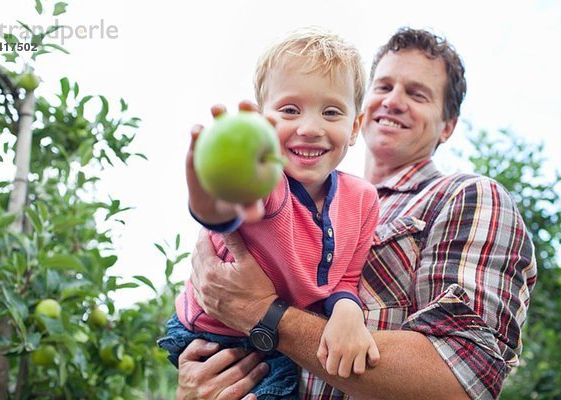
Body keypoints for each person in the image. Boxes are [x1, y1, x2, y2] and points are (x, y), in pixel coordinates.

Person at [176, 27, 538, 400]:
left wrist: (261, 313)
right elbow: (225, 209)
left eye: (417, 94)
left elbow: (462, 376)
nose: (393, 101)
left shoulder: (466, 196)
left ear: (448, 126)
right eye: (383, 87)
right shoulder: (285, 183)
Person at [158, 27, 382, 399]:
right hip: (216, 338)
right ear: (262, 120)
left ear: (355, 126)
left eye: (331, 111)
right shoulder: (266, 180)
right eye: (290, 110)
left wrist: (347, 313)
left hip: (274, 340)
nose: (310, 128)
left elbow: (345, 279)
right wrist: (206, 185)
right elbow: (223, 211)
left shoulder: (362, 200)